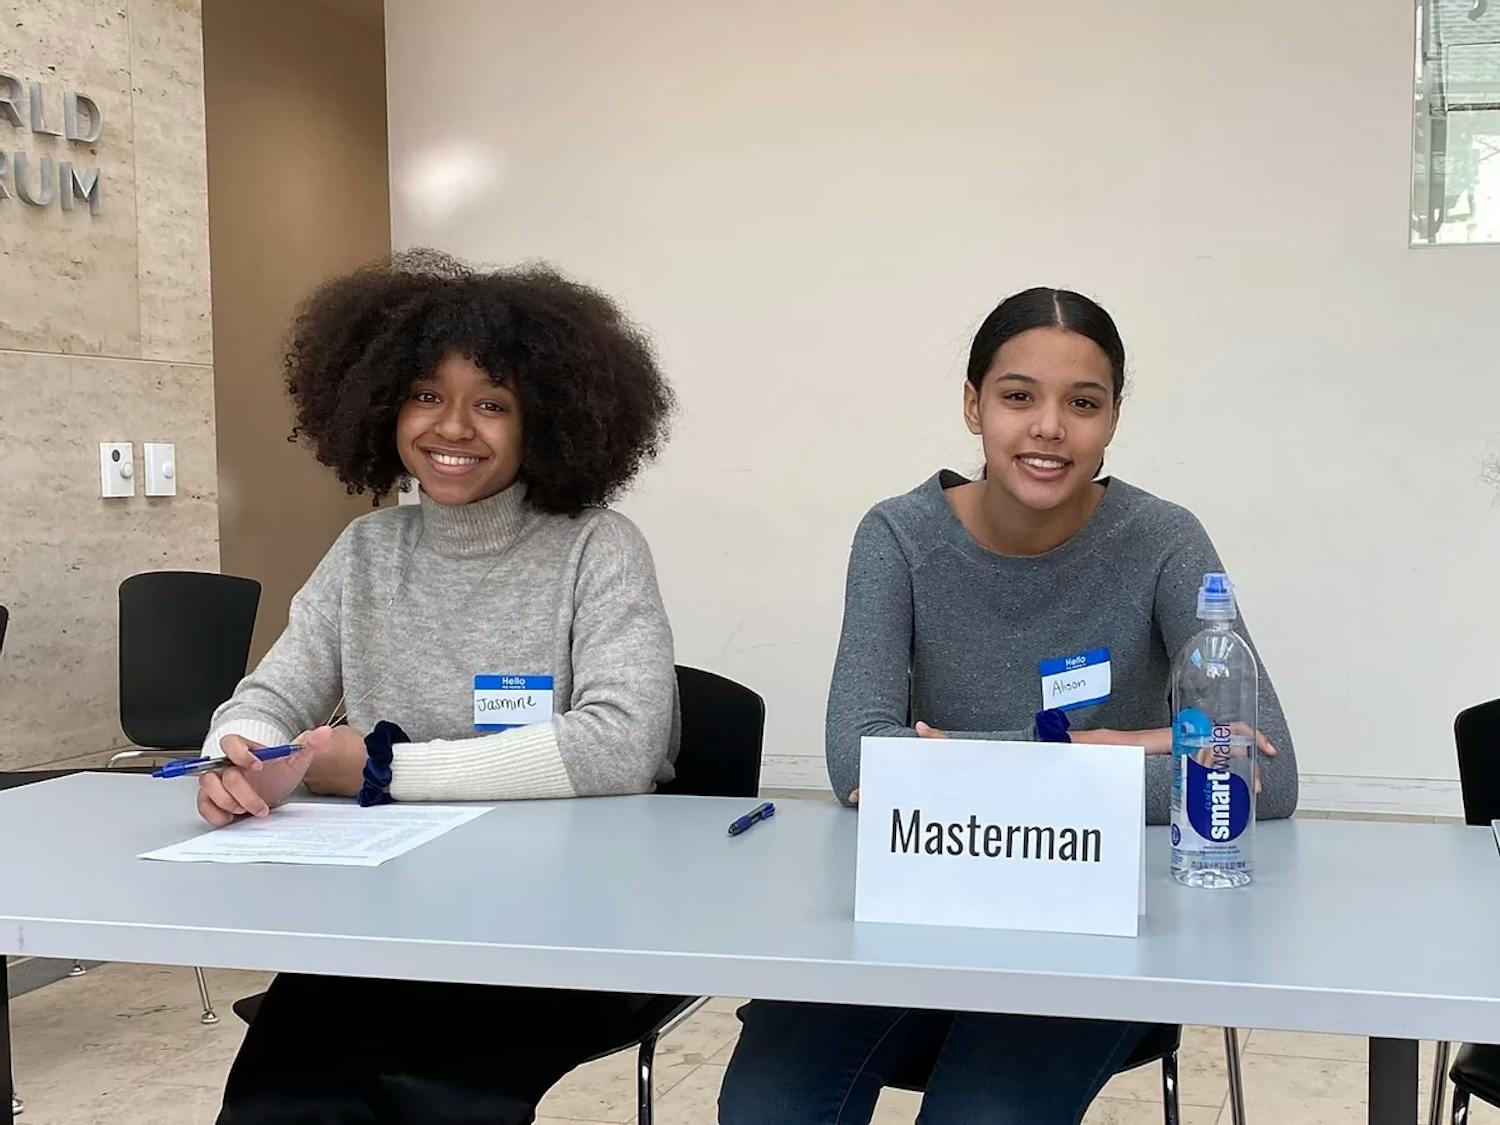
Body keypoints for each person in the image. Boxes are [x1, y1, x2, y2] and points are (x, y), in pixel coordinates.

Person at [718, 286, 1298, 1124]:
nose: (1049, 428)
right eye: (1018, 396)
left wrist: (961, 759)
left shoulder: (1164, 538)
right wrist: (1114, 747)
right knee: (768, 1104)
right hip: (918, 891)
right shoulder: (898, 536)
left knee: (980, 1115)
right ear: (972, 404)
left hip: (1095, 915)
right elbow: (862, 760)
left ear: (1113, 418)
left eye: (1083, 403)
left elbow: (1266, 778)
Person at [199, 250, 679, 1125]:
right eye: (426, 394)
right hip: (382, 915)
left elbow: (623, 741)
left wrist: (383, 770)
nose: (452, 427)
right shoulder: (366, 549)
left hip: (548, 925)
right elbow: (269, 692)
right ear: (381, 402)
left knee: (436, 1105)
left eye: (492, 402)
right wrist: (233, 754)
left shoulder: (596, 548)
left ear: (549, 418)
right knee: (272, 1105)